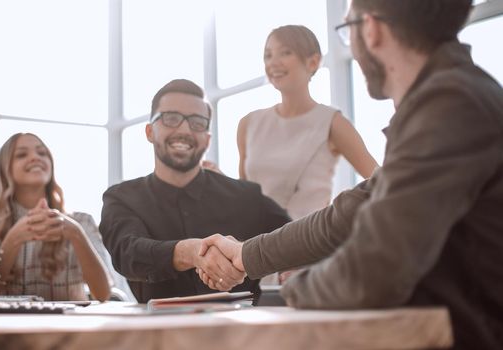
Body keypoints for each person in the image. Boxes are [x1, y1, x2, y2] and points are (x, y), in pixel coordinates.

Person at [198, 0, 503, 349]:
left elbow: (375, 269)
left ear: (370, 29)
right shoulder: (449, 98)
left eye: (347, 31)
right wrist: (245, 255)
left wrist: (284, 292)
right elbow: (345, 214)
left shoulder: (450, 104)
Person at [99, 79, 290, 303]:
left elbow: (295, 238)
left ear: (207, 140)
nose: (184, 130)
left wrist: (295, 267)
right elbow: (128, 253)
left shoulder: (248, 197)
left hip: (244, 332)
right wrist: (193, 251)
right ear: (150, 131)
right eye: (171, 118)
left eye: (197, 122)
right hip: (158, 333)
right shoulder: (121, 198)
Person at [238, 24, 378, 220]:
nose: (273, 62)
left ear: (313, 62)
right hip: (253, 243)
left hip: (307, 244)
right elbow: (244, 195)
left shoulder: (332, 122)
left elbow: (380, 183)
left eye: (285, 53)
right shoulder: (249, 124)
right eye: (268, 55)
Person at [0, 133, 112, 301]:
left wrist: (76, 234)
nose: (35, 157)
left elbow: (103, 294)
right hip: (3, 325)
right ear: (5, 169)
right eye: (21, 154)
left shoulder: (82, 222)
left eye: (42, 153)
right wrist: (13, 239)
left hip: (69, 325)